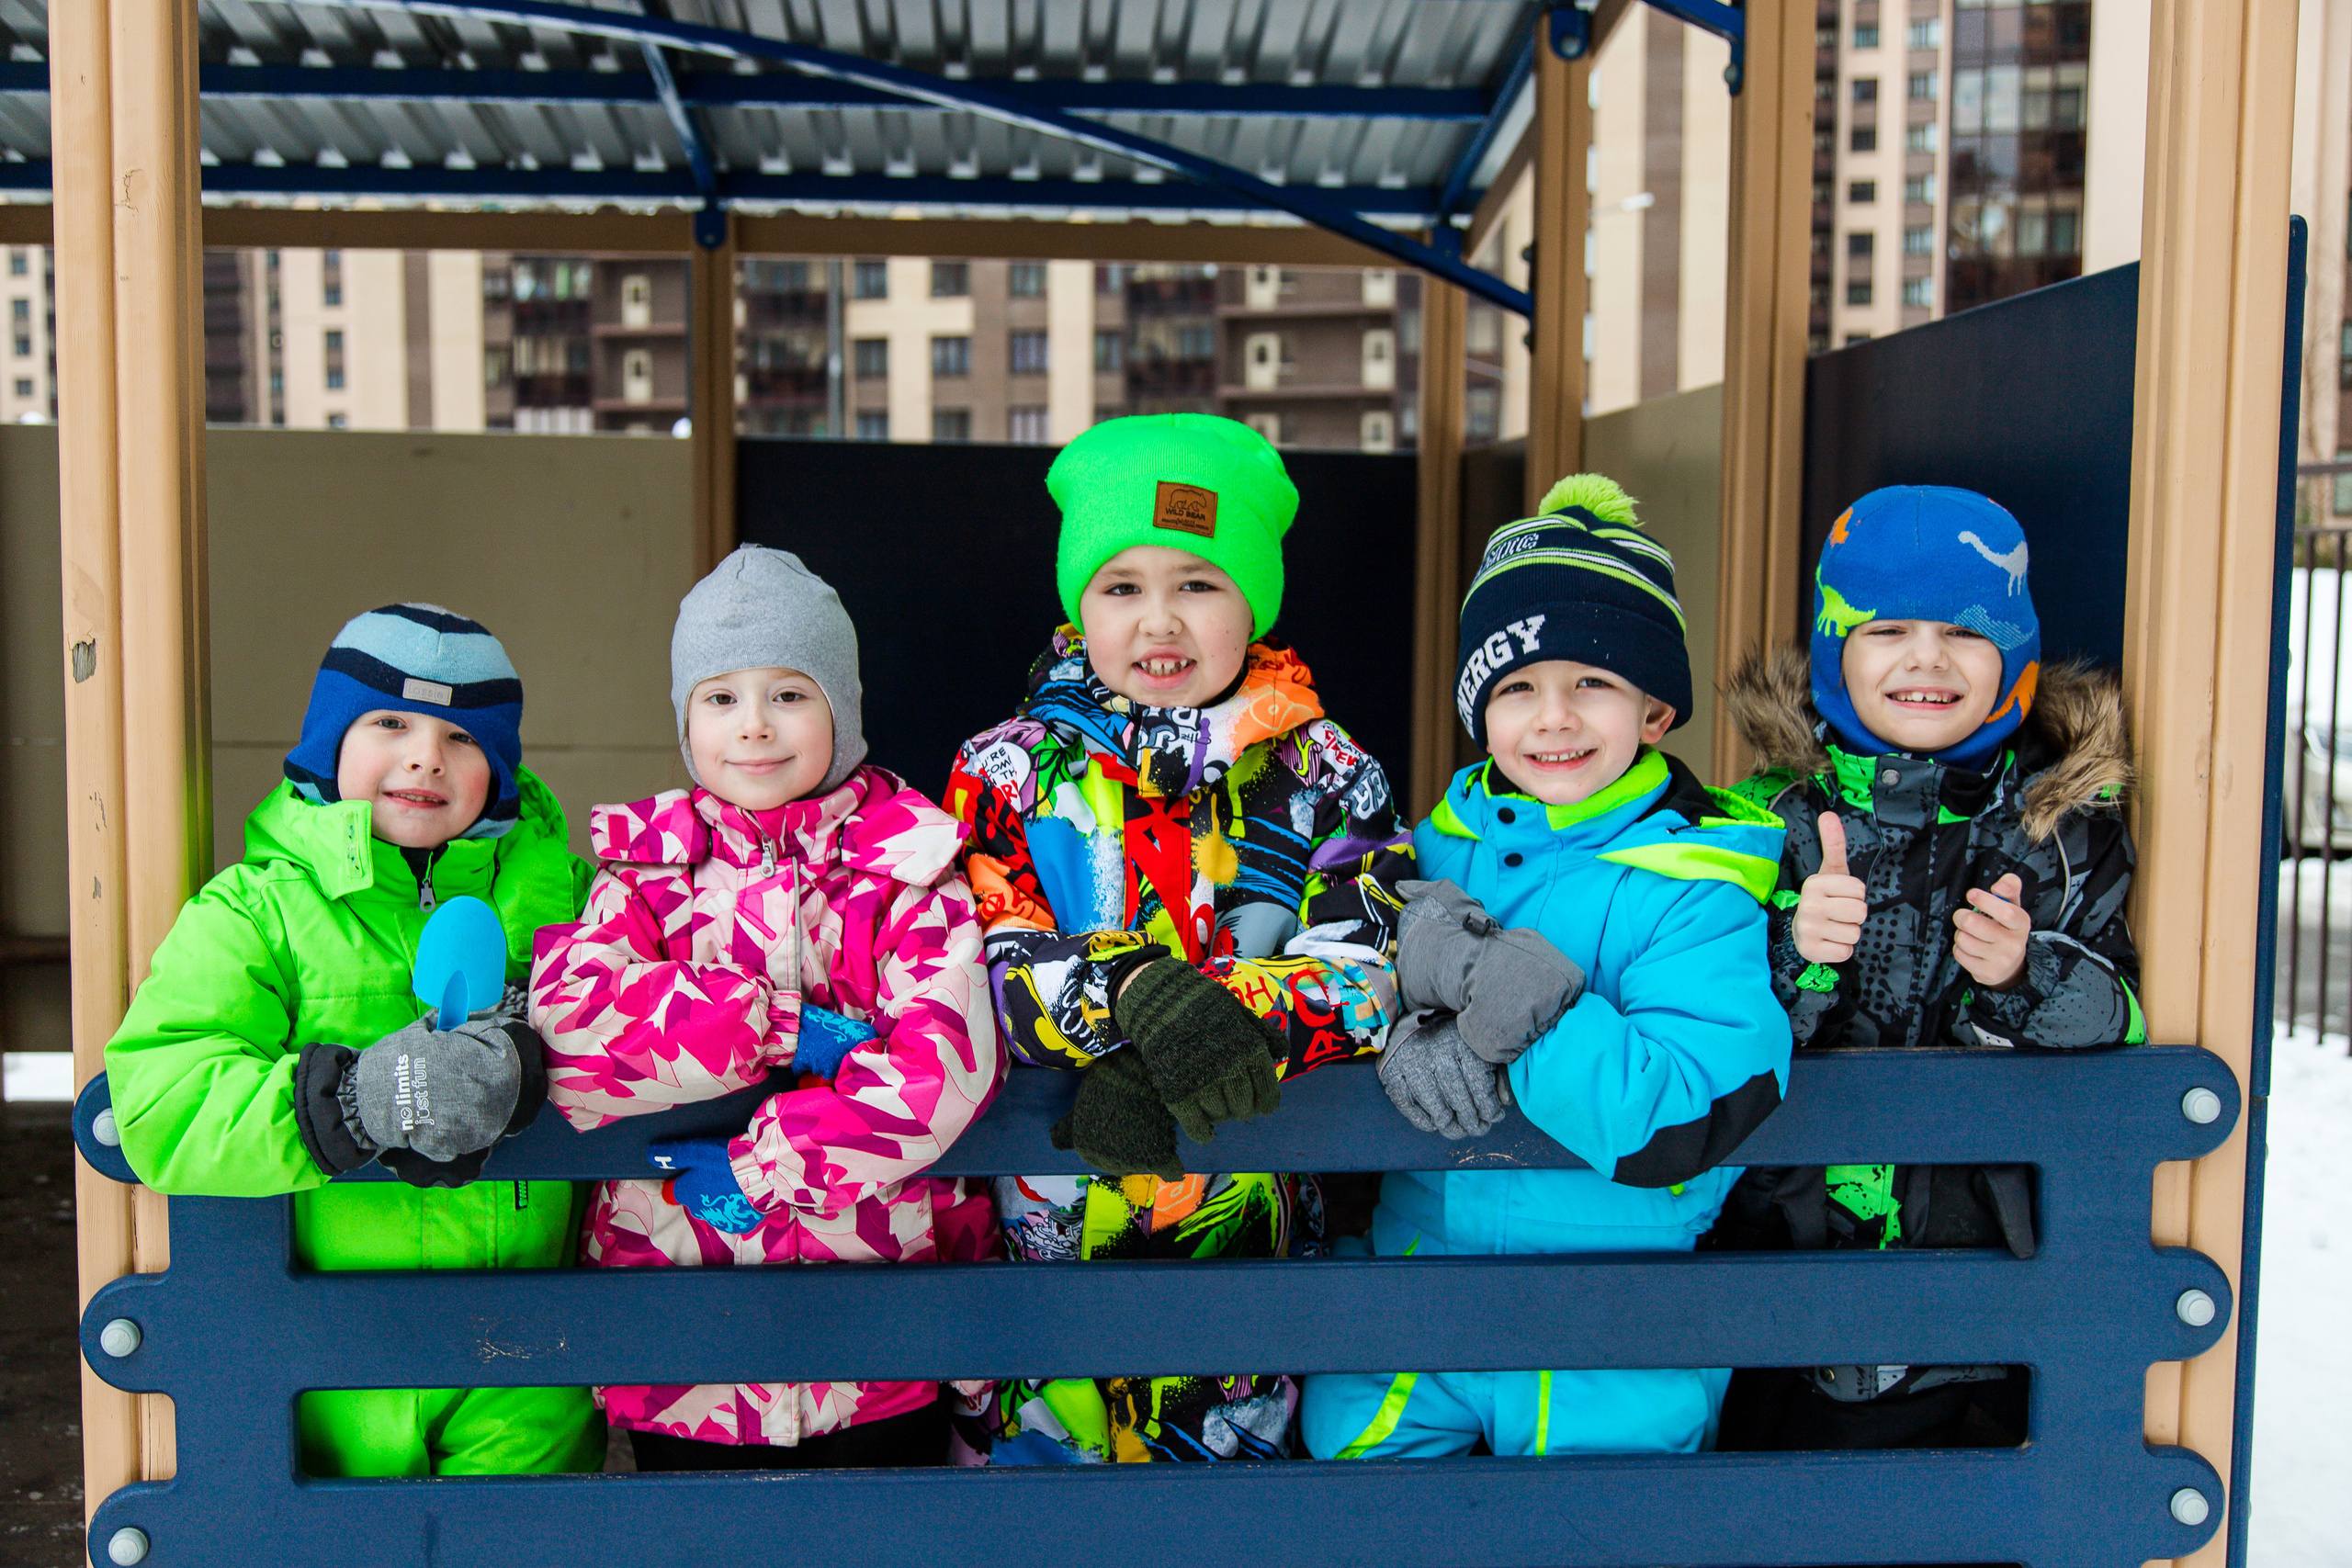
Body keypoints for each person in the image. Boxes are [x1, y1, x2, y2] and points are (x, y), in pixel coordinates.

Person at [943, 412, 1411, 1464]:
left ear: (1253, 600)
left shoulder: (1326, 772)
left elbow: (1367, 969)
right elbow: (991, 951)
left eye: (1199, 582)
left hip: (1247, 1234)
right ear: (1079, 603)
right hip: (1046, 1235)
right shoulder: (1007, 773)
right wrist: (1139, 1000)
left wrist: (1200, 1032)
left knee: (1224, 1522)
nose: (1160, 620)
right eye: (1122, 587)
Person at [1302, 474, 1792, 1461]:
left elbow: (1686, 1108)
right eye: (1516, 688)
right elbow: (1335, 998)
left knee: (1590, 1534)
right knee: (1352, 1509)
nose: (1553, 718)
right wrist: (1404, 1024)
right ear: (1478, 712)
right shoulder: (1418, 856)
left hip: (1614, 1318)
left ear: (1654, 712)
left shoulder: (1693, 887)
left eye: (1593, 684)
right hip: (1414, 1302)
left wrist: (1509, 1002)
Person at [529, 547, 1004, 1471]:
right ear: (685, 717)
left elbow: (939, 1068)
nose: (752, 727)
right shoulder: (645, 874)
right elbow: (571, 1026)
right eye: (719, 698)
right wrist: (776, 1029)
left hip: (880, 1343)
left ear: (842, 707)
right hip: (684, 1356)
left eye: (789, 694)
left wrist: (761, 1169)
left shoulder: (905, 873)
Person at [104, 604, 602, 1478]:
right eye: (390, 723)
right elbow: (162, 1099)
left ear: (502, 770)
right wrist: (354, 1102)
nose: (425, 756)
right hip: (327, 1354)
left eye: (463, 736)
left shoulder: (570, 902)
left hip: (523, 1354)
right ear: (330, 741)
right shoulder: (256, 911)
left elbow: (655, 1017)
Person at [1713, 483, 2141, 1450]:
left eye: (1963, 630)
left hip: (1976, 1298)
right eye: (1885, 628)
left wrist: (2024, 979)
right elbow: (1698, 1018)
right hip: (1773, 1269)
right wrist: (1796, 955)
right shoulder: (1762, 819)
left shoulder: (2058, 831)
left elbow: (2123, 1015)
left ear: (2014, 656)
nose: (1925, 659)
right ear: (1835, 650)